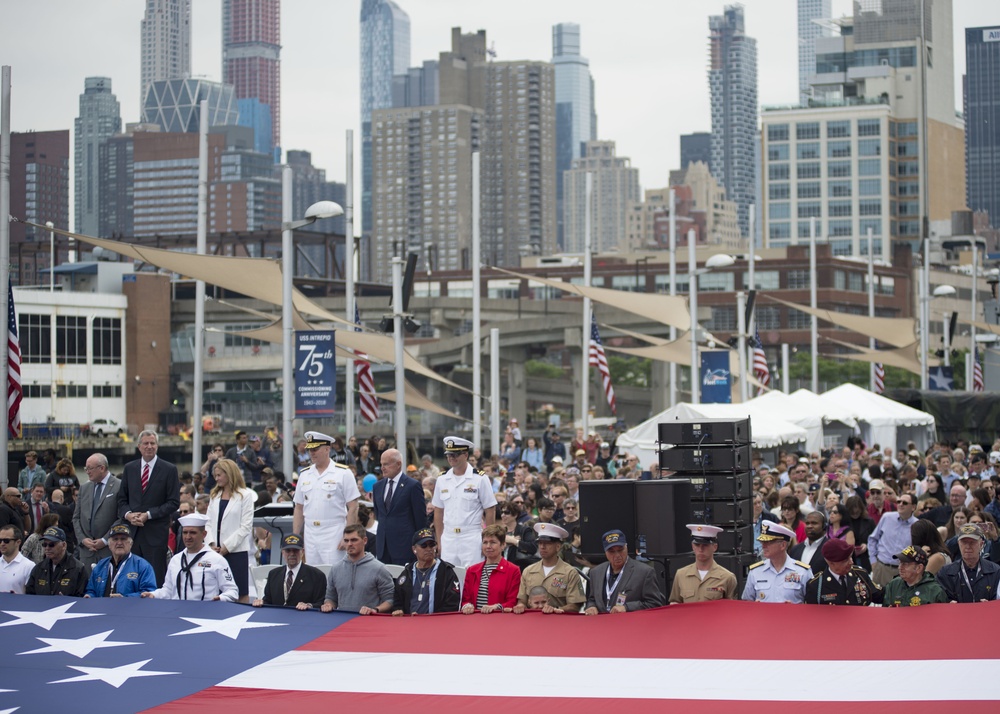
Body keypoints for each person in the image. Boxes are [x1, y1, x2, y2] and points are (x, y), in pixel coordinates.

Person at [117, 430, 181, 587]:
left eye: (153, 443)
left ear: (157, 446)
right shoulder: (129, 468)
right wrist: (128, 515)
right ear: (139, 446)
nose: (149, 446)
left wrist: (149, 515)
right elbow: (121, 500)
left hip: (155, 535)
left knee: (154, 580)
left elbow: (173, 502)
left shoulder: (169, 469)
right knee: (130, 580)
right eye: (146, 443)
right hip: (131, 535)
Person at [293, 431, 360, 566]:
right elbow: (299, 507)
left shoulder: (343, 473)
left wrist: (348, 536)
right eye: (310, 449)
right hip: (310, 532)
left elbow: (353, 506)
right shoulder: (305, 474)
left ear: (327, 449)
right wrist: (295, 537)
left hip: (333, 532)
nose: (312, 453)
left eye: (315, 449)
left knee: (335, 575)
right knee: (313, 576)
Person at [432, 436, 497, 568]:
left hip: (471, 537)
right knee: (449, 581)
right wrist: (439, 541)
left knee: (472, 579)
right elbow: (438, 512)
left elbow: (490, 510)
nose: (451, 458)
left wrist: (488, 540)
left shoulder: (479, 478)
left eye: (455, 454)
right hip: (448, 537)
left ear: (465, 454)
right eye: (449, 455)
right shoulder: (442, 479)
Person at [142, 513, 237, 602]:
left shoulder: (217, 560)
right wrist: (153, 594)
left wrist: (221, 598)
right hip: (177, 612)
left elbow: (232, 591)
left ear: (204, 534)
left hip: (205, 612)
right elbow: (168, 590)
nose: (188, 537)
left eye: (193, 533)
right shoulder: (176, 559)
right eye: (185, 532)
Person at [206, 458, 257, 603]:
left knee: (240, 592)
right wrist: (210, 544)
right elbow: (208, 522)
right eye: (215, 475)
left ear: (229, 474)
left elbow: (245, 526)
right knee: (217, 591)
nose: (216, 479)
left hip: (236, 551)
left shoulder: (244, 495)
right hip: (214, 551)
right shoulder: (214, 495)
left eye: (219, 475)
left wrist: (226, 547)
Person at [584, 529, 665, 614]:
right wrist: (591, 606)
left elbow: (655, 603)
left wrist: (627, 607)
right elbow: (592, 599)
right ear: (605, 552)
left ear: (626, 547)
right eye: (612, 551)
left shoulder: (645, 572)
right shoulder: (595, 573)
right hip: (601, 624)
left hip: (629, 624)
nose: (617, 555)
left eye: (620, 550)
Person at [320, 524, 394, 614]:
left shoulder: (379, 569)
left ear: (365, 540)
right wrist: (329, 605)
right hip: (341, 622)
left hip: (370, 622)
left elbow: (390, 600)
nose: (349, 544)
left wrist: (375, 609)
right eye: (346, 541)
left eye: (354, 540)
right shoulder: (335, 569)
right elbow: (331, 598)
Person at [513, 523, 585, 613]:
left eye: (547, 543)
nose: (542, 547)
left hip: (559, 622)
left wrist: (556, 610)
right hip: (533, 623)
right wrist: (520, 606)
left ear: (558, 547)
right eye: (540, 543)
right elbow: (522, 600)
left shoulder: (570, 573)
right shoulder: (528, 571)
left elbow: (575, 606)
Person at [373, 448, 426, 566]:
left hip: (404, 549)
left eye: (386, 464)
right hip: (383, 549)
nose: (382, 468)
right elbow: (379, 515)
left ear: (398, 464)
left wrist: (419, 546)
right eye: (381, 464)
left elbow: (420, 520)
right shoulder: (377, 487)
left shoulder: (412, 486)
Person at [391, 528, 462, 615]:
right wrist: (399, 610)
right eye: (424, 545)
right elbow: (398, 600)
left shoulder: (446, 571)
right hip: (410, 622)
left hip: (437, 623)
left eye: (432, 545)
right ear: (414, 549)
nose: (429, 549)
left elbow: (452, 603)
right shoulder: (408, 572)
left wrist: (430, 618)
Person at [742, 522, 812, 603]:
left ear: (783, 545)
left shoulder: (802, 572)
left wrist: (796, 609)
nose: (763, 546)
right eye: (762, 542)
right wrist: (754, 607)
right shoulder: (755, 571)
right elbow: (746, 603)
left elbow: (813, 606)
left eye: (768, 542)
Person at [252, 534, 327, 610]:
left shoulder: (316, 576)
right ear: (282, 552)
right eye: (288, 551)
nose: (292, 554)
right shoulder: (273, 574)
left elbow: (321, 603)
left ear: (302, 552)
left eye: (295, 550)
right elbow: (268, 601)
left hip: (304, 618)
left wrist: (309, 606)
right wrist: (261, 602)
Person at [72, 453, 121, 568]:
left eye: (90, 468)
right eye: (86, 468)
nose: (87, 472)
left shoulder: (119, 486)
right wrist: (83, 539)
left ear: (102, 468)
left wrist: (105, 540)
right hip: (87, 552)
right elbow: (76, 518)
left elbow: (121, 518)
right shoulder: (84, 488)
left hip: (109, 550)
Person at [668, 524, 738, 604]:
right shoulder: (681, 575)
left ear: (714, 547)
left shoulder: (727, 577)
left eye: (705, 545)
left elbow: (732, 609)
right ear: (692, 546)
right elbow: (675, 603)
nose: (701, 549)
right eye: (697, 545)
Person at [461, 524, 521, 614]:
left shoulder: (513, 570)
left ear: (503, 545)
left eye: (493, 542)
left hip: (500, 620)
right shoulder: (471, 570)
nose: (488, 546)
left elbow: (512, 602)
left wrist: (496, 607)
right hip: (474, 620)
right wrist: (467, 606)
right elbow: (465, 599)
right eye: (485, 542)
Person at [84, 523, 157, 598]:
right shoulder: (101, 565)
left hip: (129, 609)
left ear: (131, 543)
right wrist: (89, 596)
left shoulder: (142, 566)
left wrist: (124, 599)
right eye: (115, 539)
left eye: (123, 539)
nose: (119, 543)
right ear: (109, 544)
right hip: (101, 609)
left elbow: (149, 593)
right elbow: (91, 590)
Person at [805, 538, 882, 606]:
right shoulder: (816, 585)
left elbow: (880, 596)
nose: (851, 562)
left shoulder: (860, 574)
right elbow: (812, 615)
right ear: (831, 562)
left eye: (850, 557)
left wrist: (893, 585)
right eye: (845, 560)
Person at [936, 523, 1000, 603]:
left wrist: (991, 605)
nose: (968, 546)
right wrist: (948, 603)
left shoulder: (995, 571)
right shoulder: (945, 573)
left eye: (972, 542)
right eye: (964, 542)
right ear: (958, 544)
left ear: (981, 544)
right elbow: (939, 600)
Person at [867, 492, 917, 587]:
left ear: (913, 507)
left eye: (905, 503)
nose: (901, 504)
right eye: (899, 502)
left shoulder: (917, 525)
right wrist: (873, 562)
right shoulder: (887, 517)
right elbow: (873, 539)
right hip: (882, 568)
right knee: (878, 599)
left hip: (904, 571)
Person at [24, 527, 89, 596]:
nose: (47, 548)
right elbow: (30, 595)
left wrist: (66, 600)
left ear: (64, 545)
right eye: (44, 544)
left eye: (51, 544)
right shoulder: (39, 568)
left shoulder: (77, 569)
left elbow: (82, 597)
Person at [882, 545, 949, 607]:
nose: (900, 567)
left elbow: (942, 617)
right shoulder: (894, 585)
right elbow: (886, 610)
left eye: (905, 564)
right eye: (900, 562)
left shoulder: (935, 591)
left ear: (919, 568)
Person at [0, 525, 34, 594]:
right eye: (0, 540)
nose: (2, 544)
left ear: (18, 542)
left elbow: (31, 594)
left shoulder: (29, 566)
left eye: (6, 541)